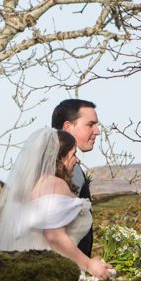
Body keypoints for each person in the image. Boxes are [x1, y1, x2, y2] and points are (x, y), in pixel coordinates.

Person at [0, 126, 114, 280]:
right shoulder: (56, 185)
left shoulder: (28, 188)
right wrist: (89, 264)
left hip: (24, 266)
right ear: (60, 158)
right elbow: (54, 235)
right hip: (52, 271)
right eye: (73, 154)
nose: (77, 160)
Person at [51, 98, 100, 256]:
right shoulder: (66, 171)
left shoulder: (53, 164)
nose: (97, 131)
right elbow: (55, 233)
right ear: (68, 127)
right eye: (90, 124)